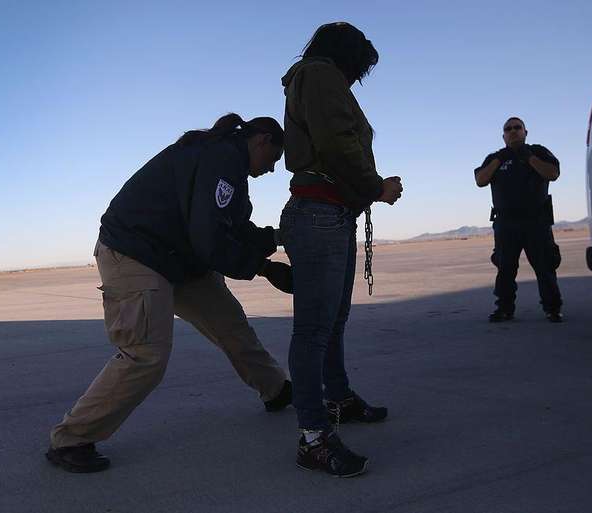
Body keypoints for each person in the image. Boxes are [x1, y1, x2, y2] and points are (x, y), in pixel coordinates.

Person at [46, 114, 294, 473]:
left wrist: (275, 238)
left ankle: (276, 389)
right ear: (261, 140)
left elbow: (230, 227)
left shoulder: (228, 168)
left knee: (231, 325)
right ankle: (70, 438)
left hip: (178, 260)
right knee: (145, 354)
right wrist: (266, 268)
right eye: (273, 159)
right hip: (135, 254)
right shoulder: (221, 158)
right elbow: (210, 238)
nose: (271, 170)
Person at [280, 22, 404, 478]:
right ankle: (312, 437)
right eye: (358, 70)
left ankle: (338, 399)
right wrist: (376, 187)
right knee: (314, 330)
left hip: (330, 214)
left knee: (332, 323)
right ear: (346, 57)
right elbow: (335, 143)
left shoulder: (316, 78)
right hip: (319, 214)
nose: (356, 80)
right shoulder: (320, 74)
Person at [474, 116, 563, 323]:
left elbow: (553, 173)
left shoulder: (539, 152)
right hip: (506, 224)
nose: (513, 131)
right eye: (508, 129)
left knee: (545, 266)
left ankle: (553, 308)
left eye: (517, 127)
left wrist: (528, 157)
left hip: (536, 222)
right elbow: (480, 180)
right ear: (503, 135)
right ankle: (504, 308)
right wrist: (500, 159)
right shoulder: (496, 158)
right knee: (505, 268)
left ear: (525, 132)